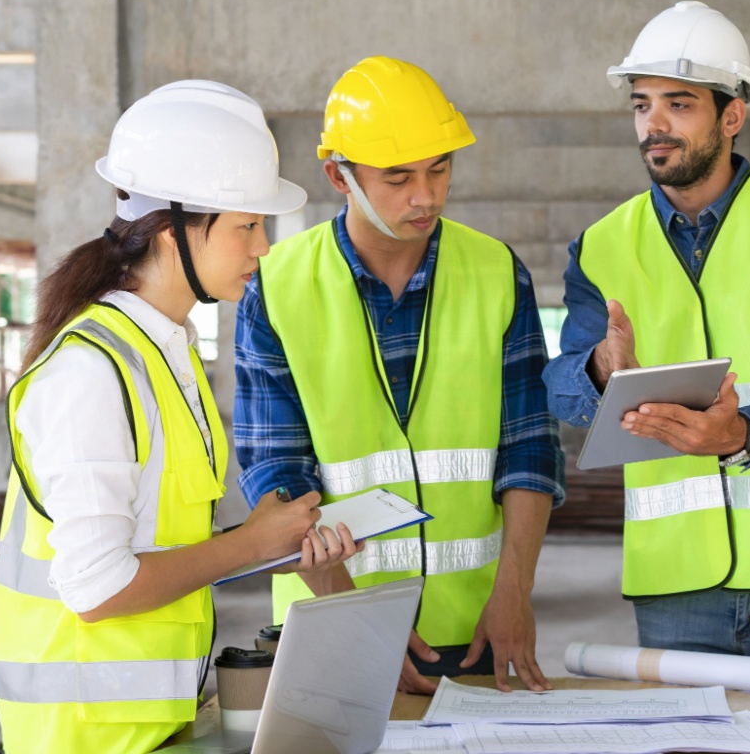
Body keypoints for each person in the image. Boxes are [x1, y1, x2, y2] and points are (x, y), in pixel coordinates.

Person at [0, 80, 362, 754]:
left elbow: (158, 546)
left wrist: (267, 543)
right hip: (85, 737)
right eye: (247, 224)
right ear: (172, 231)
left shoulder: (164, 353)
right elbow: (97, 588)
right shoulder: (93, 372)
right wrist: (247, 546)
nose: (262, 247)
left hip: (145, 727)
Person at [543, 1, 750, 665]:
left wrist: (744, 432)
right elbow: (560, 385)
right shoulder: (601, 248)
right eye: (641, 104)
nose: (653, 125)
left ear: (732, 114)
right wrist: (601, 368)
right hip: (675, 584)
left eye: (678, 104)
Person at [235, 56, 564, 695]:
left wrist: (515, 590)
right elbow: (275, 472)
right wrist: (350, 618)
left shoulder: (497, 272)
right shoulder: (276, 286)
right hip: (328, 622)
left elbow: (529, 448)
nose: (427, 195)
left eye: (440, 167)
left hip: (477, 630)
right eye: (398, 176)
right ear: (339, 176)